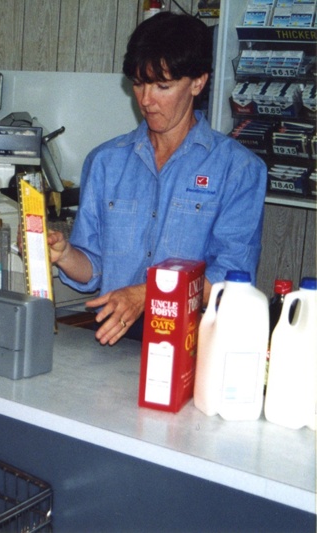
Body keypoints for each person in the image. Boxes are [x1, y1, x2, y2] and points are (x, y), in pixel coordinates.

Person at [48, 12, 267, 345]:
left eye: (162, 86)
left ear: (198, 82)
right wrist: (64, 254)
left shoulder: (238, 170)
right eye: (138, 84)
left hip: (191, 347)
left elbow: (229, 282)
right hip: (114, 339)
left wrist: (147, 295)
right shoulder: (105, 162)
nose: (146, 100)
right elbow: (92, 267)